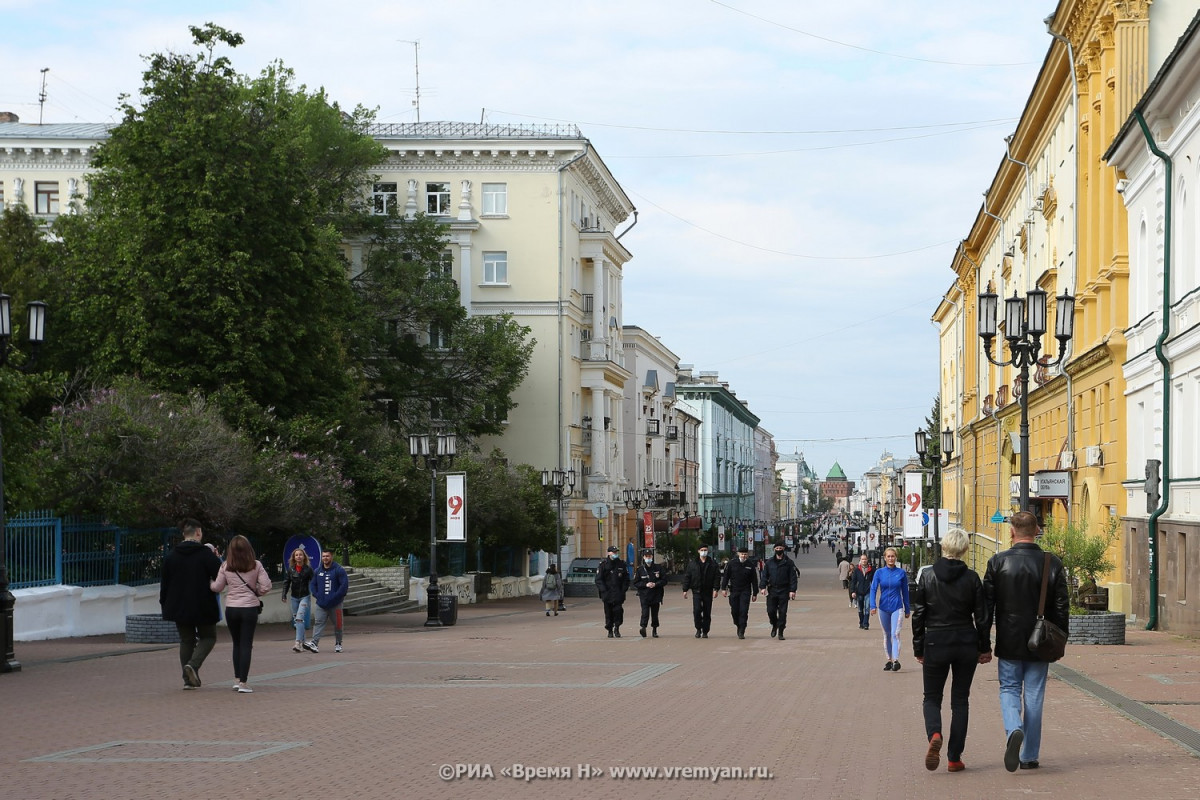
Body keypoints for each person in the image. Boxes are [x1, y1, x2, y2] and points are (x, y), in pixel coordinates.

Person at [984, 510, 1069, 772]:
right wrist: (1059, 640)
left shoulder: (997, 562)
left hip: (1008, 639)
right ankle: (1029, 755)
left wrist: (983, 642)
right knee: (1034, 695)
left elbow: (986, 607)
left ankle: (1013, 729)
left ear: (1012, 531)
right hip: (1040, 641)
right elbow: (1062, 606)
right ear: (1037, 531)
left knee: (1009, 689)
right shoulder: (1051, 563)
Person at [912, 528, 993, 773]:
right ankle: (954, 758)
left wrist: (919, 647)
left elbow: (919, 614)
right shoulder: (972, 578)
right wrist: (984, 647)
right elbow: (982, 616)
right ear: (965, 550)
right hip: (965, 641)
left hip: (936, 640)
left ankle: (934, 733)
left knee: (932, 697)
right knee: (960, 700)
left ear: (943, 547)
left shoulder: (926, 576)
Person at [159, 519, 223, 690]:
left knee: (186, 640)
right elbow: (220, 575)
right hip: (203, 604)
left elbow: (164, 584)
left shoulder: (171, 556)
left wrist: (164, 604)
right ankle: (193, 666)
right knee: (208, 637)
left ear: (183, 534)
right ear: (198, 532)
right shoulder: (205, 554)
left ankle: (188, 680)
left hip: (178, 605)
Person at [210, 534, 272, 693]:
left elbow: (217, 587)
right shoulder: (256, 565)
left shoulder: (225, 566)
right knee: (246, 644)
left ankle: (237, 679)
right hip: (249, 608)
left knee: (236, 643)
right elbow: (266, 586)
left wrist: (209, 583)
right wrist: (256, 592)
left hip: (232, 608)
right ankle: (244, 683)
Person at [869, 547, 911, 671]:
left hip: (897, 607)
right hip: (883, 608)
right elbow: (873, 589)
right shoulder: (879, 572)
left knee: (895, 633)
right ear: (885, 558)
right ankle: (889, 660)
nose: (891, 558)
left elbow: (905, 591)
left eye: (893, 556)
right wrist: (873, 606)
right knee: (887, 634)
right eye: (888, 556)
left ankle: (896, 660)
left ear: (895, 558)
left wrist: (907, 608)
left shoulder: (901, 573)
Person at [307, 548, 348, 653]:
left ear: (331, 557)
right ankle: (314, 643)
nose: (325, 558)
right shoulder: (317, 571)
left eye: (327, 556)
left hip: (336, 604)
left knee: (338, 624)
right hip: (321, 604)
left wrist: (335, 597)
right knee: (318, 622)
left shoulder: (339, 570)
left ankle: (338, 643)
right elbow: (312, 584)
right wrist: (317, 595)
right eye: (323, 556)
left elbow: (344, 586)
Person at [681, 543, 721, 638]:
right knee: (697, 610)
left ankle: (705, 631)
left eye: (705, 550)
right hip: (696, 591)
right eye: (702, 550)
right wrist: (685, 589)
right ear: (698, 551)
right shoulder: (693, 564)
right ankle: (698, 628)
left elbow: (717, 577)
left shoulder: (712, 564)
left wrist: (716, 589)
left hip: (707, 591)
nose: (704, 552)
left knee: (707, 612)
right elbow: (687, 577)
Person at [760, 543, 798, 640]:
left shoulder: (789, 562)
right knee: (770, 610)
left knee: (782, 612)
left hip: (784, 590)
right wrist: (763, 587)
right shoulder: (769, 562)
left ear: (783, 549)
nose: (778, 549)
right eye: (777, 548)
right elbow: (764, 575)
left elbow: (793, 577)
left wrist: (792, 590)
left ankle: (781, 631)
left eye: (780, 548)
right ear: (774, 549)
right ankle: (774, 624)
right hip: (772, 590)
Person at [281, 547, 314, 652]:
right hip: (294, 597)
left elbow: (314, 582)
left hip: (305, 597)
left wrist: (317, 593)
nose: (298, 556)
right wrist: (284, 594)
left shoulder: (308, 569)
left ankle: (297, 642)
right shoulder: (291, 569)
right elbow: (286, 583)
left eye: (300, 554)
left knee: (299, 619)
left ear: (304, 557)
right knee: (297, 620)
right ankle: (303, 643)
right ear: (294, 558)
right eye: (296, 555)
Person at [721, 546, 759, 639]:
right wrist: (723, 588)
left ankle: (742, 629)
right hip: (734, 590)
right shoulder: (731, 564)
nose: (743, 556)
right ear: (738, 554)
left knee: (744, 611)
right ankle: (737, 624)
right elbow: (726, 577)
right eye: (742, 554)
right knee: (735, 611)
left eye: (745, 554)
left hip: (745, 591)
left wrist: (755, 593)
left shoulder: (750, 565)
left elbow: (754, 580)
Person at [595, 544, 629, 638]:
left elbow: (626, 579)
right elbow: (598, 579)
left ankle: (617, 628)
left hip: (618, 593)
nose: (615, 554)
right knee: (608, 613)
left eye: (616, 552)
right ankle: (609, 629)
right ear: (609, 553)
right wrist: (604, 591)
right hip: (607, 594)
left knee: (618, 611)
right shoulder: (603, 565)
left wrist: (623, 589)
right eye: (613, 552)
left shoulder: (621, 564)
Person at [632, 549, 668, 637]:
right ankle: (643, 627)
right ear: (643, 558)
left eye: (650, 556)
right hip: (644, 595)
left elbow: (664, 580)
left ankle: (654, 630)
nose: (648, 558)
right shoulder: (640, 570)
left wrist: (656, 584)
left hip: (656, 594)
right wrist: (645, 584)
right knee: (645, 612)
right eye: (646, 556)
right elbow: (636, 583)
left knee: (655, 614)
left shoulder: (658, 568)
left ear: (652, 557)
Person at [849, 553, 874, 630]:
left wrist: (873, 590)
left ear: (867, 560)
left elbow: (874, 581)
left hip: (868, 591)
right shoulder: (857, 570)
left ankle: (866, 623)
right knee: (860, 608)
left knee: (867, 607)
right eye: (862, 559)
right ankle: (861, 622)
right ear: (860, 560)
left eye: (865, 559)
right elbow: (853, 581)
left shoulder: (871, 570)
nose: (864, 561)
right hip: (859, 591)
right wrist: (853, 591)